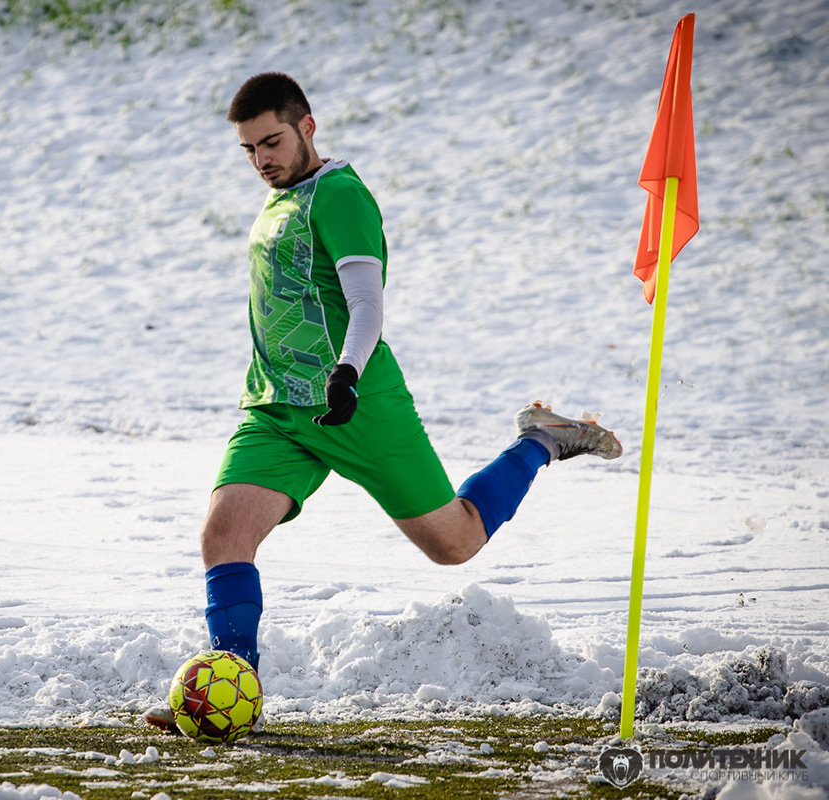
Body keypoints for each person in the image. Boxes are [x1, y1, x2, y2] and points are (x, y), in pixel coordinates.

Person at [145, 72, 621, 732]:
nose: (262, 160)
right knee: (223, 534)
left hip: (357, 401)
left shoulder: (339, 195)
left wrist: (346, 371)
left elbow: (366, 302)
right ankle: (229, 693)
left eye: (273, 142)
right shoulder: (281, 198)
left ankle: (541, 438)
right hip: (278, 410)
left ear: (307, 127)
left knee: (453, 543)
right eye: (250, 149)